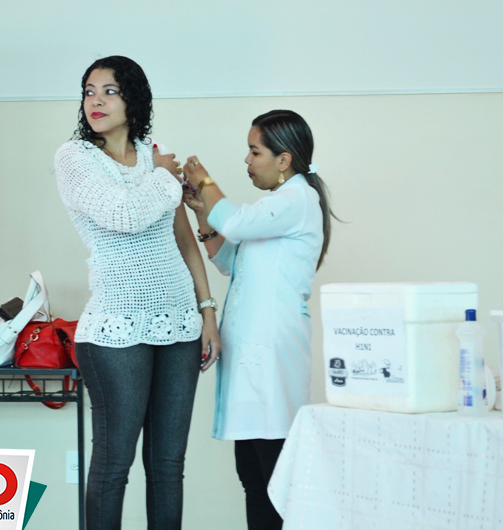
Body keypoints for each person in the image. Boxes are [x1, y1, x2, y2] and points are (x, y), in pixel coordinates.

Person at [54, 56, 220, 530]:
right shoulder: (74, 158)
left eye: (110, 91)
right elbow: (123, 215)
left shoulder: (156, 154)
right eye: (89, 92)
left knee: (168, 466)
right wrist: (164, 176)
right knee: (113, 465)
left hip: (180, 324)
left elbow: (183, 239)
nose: (97, 101)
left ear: (134, 99)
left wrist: (207, 311)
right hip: (115, 330)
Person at [182, 110, 335, 530]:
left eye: (255, 152)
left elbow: (236, 222)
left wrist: (205, 181)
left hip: (271, 353)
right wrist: (202, 213)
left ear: (283, 160)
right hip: (253, 353)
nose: (247, 161)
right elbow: (230, 259)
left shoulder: (298, 200)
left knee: (273, 477)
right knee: (252, 475)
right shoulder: (277, 206)